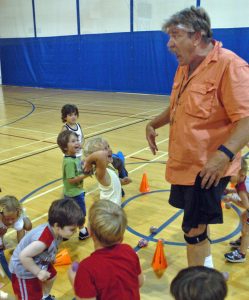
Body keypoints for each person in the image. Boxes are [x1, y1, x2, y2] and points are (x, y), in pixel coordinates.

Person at [146, 6, 249, 267]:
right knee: (199, 228)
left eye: (175, 35)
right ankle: (208, 276)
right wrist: (154, 123)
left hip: (207, 169)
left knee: (193, 232)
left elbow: (246, 119)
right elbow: (177, 105)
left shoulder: (230, 65)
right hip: (185, 166)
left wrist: (222, 156)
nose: (169, 44)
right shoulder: (185, 66)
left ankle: (198, 289)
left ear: (197, 36)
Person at [9, 198, 84, 300]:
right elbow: (24, 256)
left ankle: (45, 296)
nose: (75, 232)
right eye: (72, 229)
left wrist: (51, 257)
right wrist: (38, 272)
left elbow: (52, 246)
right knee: (31, 296)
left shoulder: (57, 232)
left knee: (51, 276)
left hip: (39, 260)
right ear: (57, 226)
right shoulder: (42, 241)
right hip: (23, 270)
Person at [68, 200, 144, 300]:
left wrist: (74, 279)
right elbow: (140, 282)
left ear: (90, 232)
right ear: (121, 235)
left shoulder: (87, 268)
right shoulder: (129, 251)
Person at [57, 130, 89, 240]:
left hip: (73, 192)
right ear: (65, 147)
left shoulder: (73, 157)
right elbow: (71, 180)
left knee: (70, 214)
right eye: (73, 141)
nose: (77, 143)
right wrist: (86, 175)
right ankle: (82, 231)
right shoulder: (69, 162)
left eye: (77, 140)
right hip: (74, 193)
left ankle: (65, 232)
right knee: (80, 213)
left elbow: (78, 168)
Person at [83, 137, 131, 206]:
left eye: (108, 146)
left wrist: (122, 181)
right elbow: (100, 156)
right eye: (105, 149)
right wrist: (88, 161)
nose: (110, 150)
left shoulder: (108, 167)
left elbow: (111, 183)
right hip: (108, 211)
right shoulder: (100, 172)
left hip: (114, 209)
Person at [223, 157, 249, 262]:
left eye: (232, 172)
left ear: (241, 174)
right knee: (243, 216)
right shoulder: (243, 181)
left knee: (246, 231)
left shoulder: (242, 189)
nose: (228, 175)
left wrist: (232, 199)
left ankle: (241, 254)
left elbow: (247, 205)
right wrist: (230, 191)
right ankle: (243, 240)